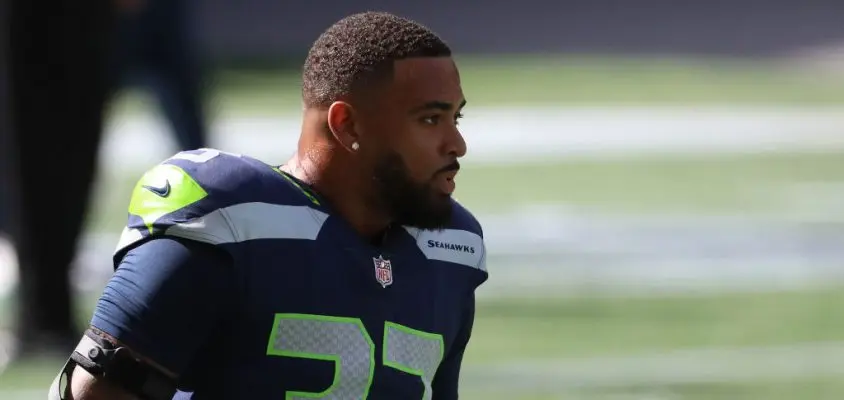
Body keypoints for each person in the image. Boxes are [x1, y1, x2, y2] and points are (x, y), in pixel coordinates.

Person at [50, 11, 488, 400]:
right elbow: (96, 392)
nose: (457, 144)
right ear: (347, 123)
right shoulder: (231, 221)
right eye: (430, 119)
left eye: (456, 118)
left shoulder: (450, 248)